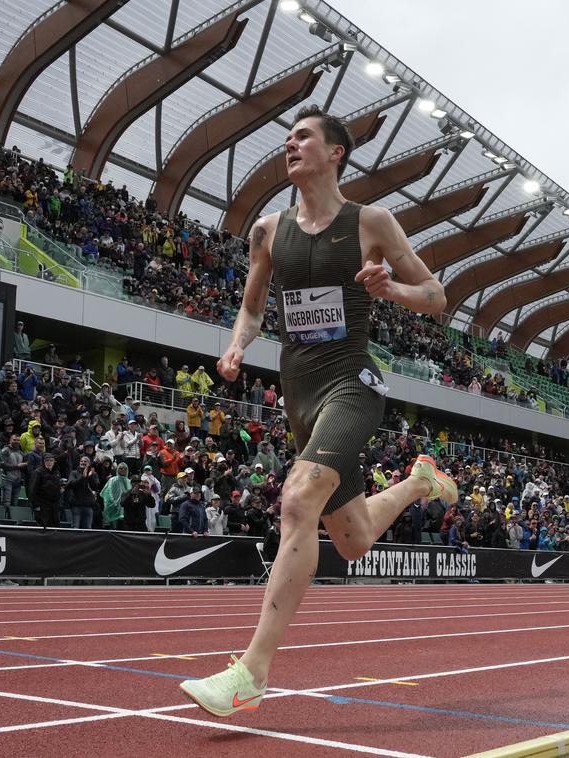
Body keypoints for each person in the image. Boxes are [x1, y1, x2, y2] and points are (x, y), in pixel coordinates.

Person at [180, 104, 458, 718]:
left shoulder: (372, 222)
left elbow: (438, 298)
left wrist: (393, 290)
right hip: (298, 392)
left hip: (352, 382)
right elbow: (252, 307)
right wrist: (235, 344)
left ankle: (251, 672)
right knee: (354, 540)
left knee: (298, 498)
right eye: (286, 138)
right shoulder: (267, 230)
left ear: (335, 152)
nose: (290, 145)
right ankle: (417, 482)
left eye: (303, 136)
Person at [28, 452, 63, 528]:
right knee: (44, 526)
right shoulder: (38, 472)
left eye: (51, 460)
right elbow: (32, 490)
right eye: (47, 460)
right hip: (42, 505)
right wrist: (36, 505)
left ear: (54, 462)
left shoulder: (57, 473)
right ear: (43, 462)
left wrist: (60, 491)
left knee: (55, 526)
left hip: (54, 505)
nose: (49, 462)